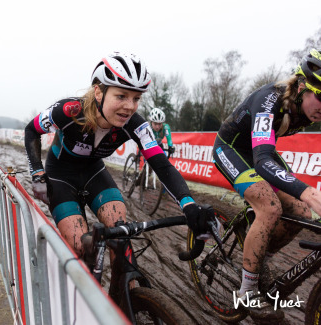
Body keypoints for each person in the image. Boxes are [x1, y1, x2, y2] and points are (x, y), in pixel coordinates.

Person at [24, 51, 215, 302]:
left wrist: (188, 203)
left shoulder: (135, 124)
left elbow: (162, 166)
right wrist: (38, 172)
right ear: (98, 92)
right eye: (121, 96)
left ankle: (123, 297)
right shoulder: (69, 110)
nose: (129, 106)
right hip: (61, 177)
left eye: (136, 98)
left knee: (121, 236)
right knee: (82, 248)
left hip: (94, 173)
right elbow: (31, 130)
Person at [212, 48, 321, 321]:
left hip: (262, 150)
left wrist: (303, 196)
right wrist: (306, 190)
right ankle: (247, 290)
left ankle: (256, 260)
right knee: (270, 207)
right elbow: (261, 162)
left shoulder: (307, 104)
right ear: (299, 87)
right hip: (233, 149)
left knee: (301, 212)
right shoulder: (268, 100)